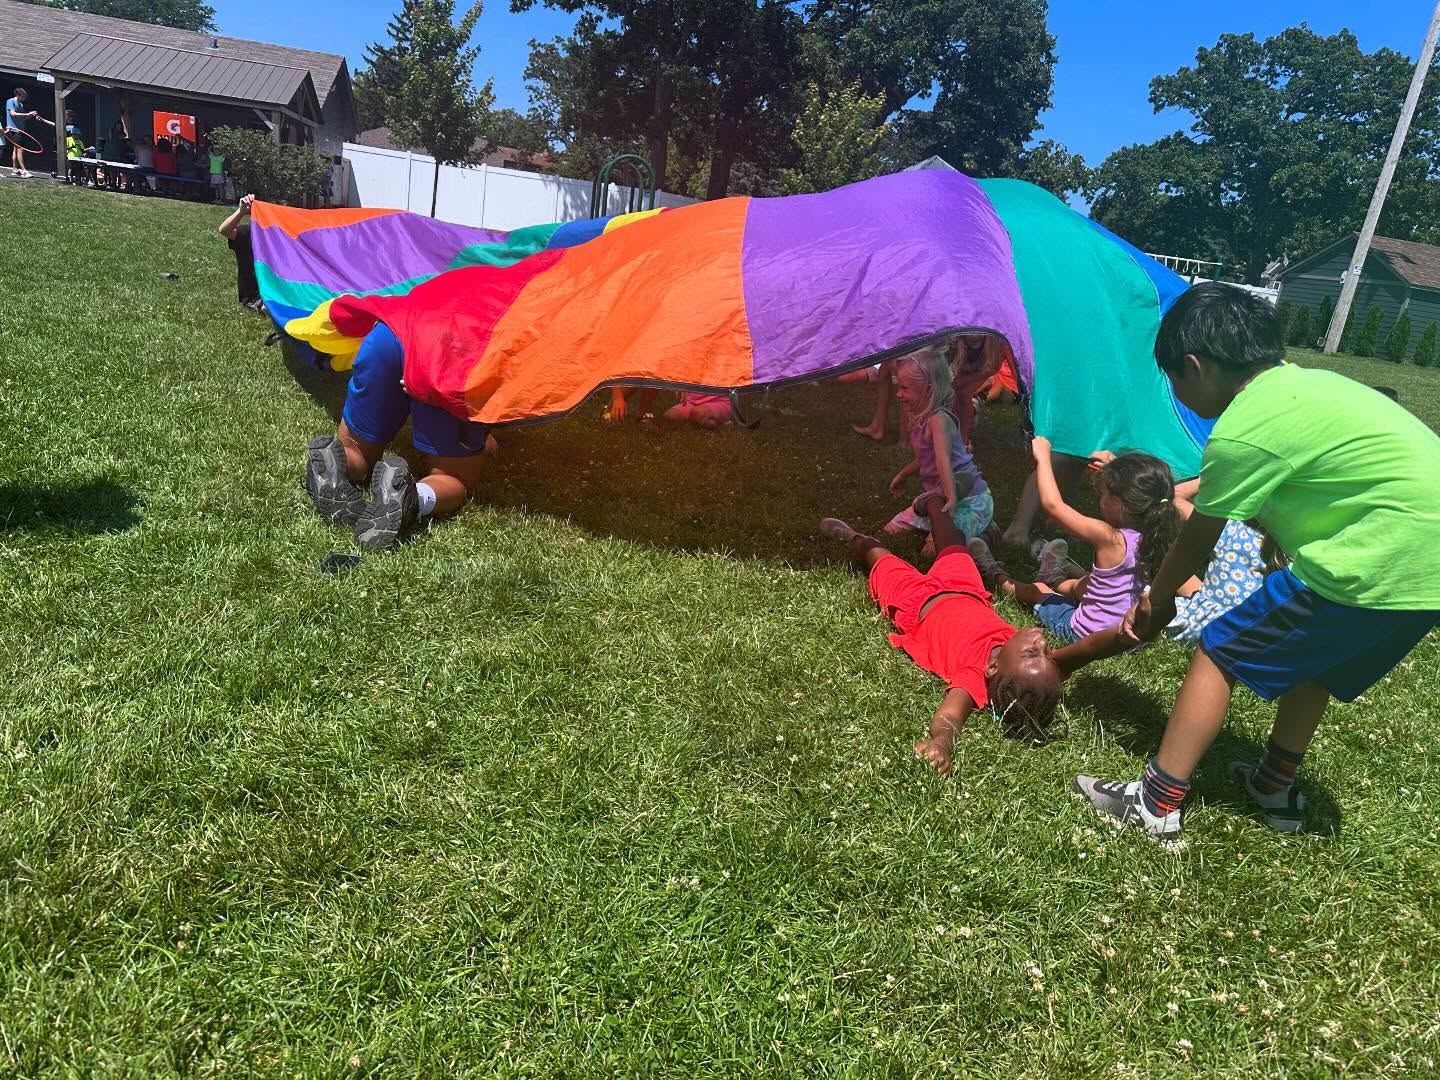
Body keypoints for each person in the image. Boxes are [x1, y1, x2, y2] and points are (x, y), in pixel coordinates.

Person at [1074, 283, 1440, 843]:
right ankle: (1273, 783)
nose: (1176, 392)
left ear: (1195, 367)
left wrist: (1159, 598)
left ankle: (1156, 801)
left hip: (1371, 562)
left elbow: (1198, 537)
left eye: (1174, 380)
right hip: (1426, 581)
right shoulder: (1310, 387)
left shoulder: (1244, 429)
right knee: (1315, 664)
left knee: (1218, 651)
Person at [820, 493, 1130, 775]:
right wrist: (1126, 633)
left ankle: (854, 536)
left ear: (993, 668)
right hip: (965, 588)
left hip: (915, 602)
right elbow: (1088, 650)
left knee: (876, 555)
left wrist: (941, 742)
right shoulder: (1030, 664)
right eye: (1047, 653)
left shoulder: (974, 675)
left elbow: (951, 716)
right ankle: (932, 504)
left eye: (1033, 651)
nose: (1042, 642)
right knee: (953, 543)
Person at [305, 322, 498, 551]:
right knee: (455, 478)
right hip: (450, 349)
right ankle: (413, 496)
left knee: (356, 448)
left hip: (390, 331)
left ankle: (340, 463)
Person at [971, 438, 1181, 643]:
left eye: (1104, 493)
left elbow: (1054, 506)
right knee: (1084, 583)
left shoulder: (1110, 538)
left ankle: (994, 573)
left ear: (1117, 502)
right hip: (1128, 637)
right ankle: (1053, 576)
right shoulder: (1160, 536)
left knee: (1039, 590)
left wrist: (1044, 458)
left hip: (1083, 634)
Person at [884, 346, 994, 543]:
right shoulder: (920, 418)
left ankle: (984, 528)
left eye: (905, 388)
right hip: (940, 497)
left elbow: (943, 461)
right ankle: (979, 529)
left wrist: (951, 499)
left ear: (928, 389)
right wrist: (903, 475)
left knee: (936, 544)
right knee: (891, 528)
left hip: (970, 499)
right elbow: (924, 459)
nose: (898, 394)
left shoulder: (939, 420)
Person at [217, 194, 264, 311]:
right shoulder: (248, 233)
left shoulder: (285, 239)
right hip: (254, 297)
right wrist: (241, 211)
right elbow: (224, 230)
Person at [4, 88, 53, 178]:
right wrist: (27, 114)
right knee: (20, 149)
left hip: (21, 130)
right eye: (23, 96)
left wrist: (30, 115)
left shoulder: (21, 105)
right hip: (14, 130)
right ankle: (24, 170)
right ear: (18, 95)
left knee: (16, 149)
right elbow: (13, 114)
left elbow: (23, 117)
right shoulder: (10, 101)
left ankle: (15, 169)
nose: (25, 98)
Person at [664, 391, 738, 429]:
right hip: (694, 401)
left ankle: (722, 422)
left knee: (697, 414)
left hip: (719, 401)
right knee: (669, 416)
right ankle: (696, 419)